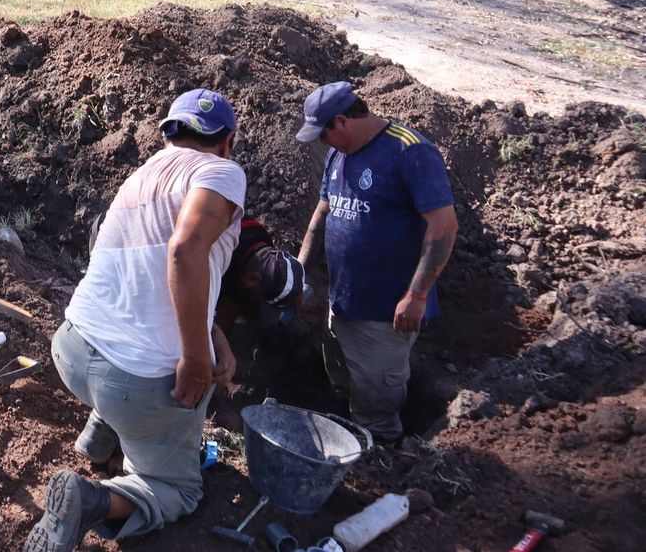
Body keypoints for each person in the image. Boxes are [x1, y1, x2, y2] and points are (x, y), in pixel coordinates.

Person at [25, 89, 245, 552]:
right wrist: (194, 355)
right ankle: (91, 500)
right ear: (227, 142)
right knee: (178, 491)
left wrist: (212, 335)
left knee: (131, 364)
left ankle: (99, 441)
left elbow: (148, 282)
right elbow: (185, 253)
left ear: (168, 135)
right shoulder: (221, 172)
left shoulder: (143, 177)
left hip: (73, 346)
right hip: (131, 382)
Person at [293, 81, 458, 444]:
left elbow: (443, 225)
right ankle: (348, 437)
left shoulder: (410, 151)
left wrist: (416, 295)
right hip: (343, 302)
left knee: (377, 399)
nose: (322, 144)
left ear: (341, 121)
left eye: (323, 135)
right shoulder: (339, 155)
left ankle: (380, 461)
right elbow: (324, 211)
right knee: (344, 380)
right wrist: (300, 267)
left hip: (386, 311)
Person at [215, 217, 305, 332]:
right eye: (260, 297)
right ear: (252, 279)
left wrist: (294, 290)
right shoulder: (214, 265)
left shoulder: (256, 233)